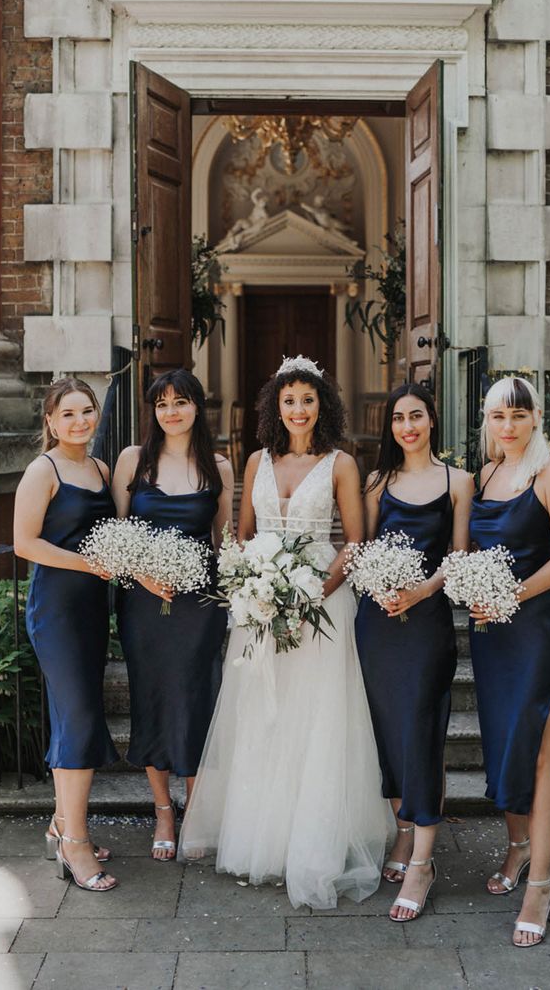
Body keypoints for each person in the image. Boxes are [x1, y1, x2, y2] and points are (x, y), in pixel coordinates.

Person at [178, 356, 389, 909]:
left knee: (318, 717)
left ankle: (316, 843)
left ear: (324, 406)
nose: (299, 410)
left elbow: (354, 542)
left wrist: (313, 594)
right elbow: (243, 535)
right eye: (289, 400)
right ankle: (263, 839)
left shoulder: (342, 463)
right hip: (262, 603)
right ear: (276, 406)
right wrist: (255, 585)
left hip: (323, 601)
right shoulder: (255, 462)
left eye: (309, 400)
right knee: (264, 716)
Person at [468, 376, 550, 947]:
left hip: (534, 629)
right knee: (504, 741)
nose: (507, 426)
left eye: (517, 415)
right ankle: (516, 847)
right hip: (490, 633)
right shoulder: (484, 477)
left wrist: (513, 594)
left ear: (535, 418)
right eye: (497, 416)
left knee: (538, 747)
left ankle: (540, 883)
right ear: (486, 422)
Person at [355, 383, 474, 922]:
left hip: (426, 625)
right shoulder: (378, 481)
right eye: (399, 418)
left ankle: (423, 864)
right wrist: (377, 587)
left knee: (422, 731)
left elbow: (459, 554)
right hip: (378, 624)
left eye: (417, 416)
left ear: (432, 421)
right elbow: (363, 549)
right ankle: (404, 833)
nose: (408, 426)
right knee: (388, 732)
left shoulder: (459, 482)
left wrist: (422, 590)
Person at [112, 370, 232, 860]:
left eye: (180, 402)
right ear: (153, 411)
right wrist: (142, 575)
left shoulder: (218, 465)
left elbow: (224, 540)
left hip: (199, 603)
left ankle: (196, 807)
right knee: (153, 696)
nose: (171, 412)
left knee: (195, 695)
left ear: (197, 407)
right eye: (162, 404)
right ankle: (163, 809)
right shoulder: (131, 461)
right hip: (143, 601)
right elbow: (115, 534)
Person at [14, 377, 118, 892]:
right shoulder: (43, 469)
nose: (80, 421)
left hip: (92, 609)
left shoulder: (101, 469)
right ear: (51, 422)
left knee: (75, 714)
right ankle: (74, 845)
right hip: (56, 608)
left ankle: (62, 823)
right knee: (76, 718)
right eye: (69, 414)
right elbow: (23, 543)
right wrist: (86, 563)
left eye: (87, 411)